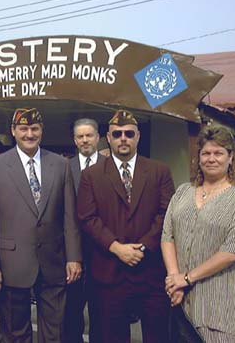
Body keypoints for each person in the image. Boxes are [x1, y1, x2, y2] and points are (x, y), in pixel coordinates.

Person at [0, 108, 82, 343]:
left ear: (41, 131)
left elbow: (69, 216)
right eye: (23, 129)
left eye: (34, 129)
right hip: (10, 265)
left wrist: (73, 257)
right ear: (13, 131)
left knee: (55, 332)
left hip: (53, 263)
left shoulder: (60, 165)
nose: (29, 134)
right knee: (14, 333)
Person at [77, 109, 175, 343]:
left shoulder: (159, 171)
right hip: (109, 272)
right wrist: (117, 248)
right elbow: (87, 218)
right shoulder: (91, 175)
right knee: (110, 336)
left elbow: (167, 213)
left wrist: (142, 247)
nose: (123, 138)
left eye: (129, 133)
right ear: (108, 138)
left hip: (149, 270)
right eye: (117, 133)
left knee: (158, 335)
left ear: (138, 136)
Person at [161, 125, 235, 343]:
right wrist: (174, 279)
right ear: (198, 157)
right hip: (181, 301)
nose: (211, 159)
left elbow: (234, 250)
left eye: (218, 153)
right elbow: (168, 236)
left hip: (221, 304)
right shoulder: (183, 193)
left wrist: (186, 278)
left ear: (231, 157)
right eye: (206, 153)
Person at [65, 118, 105, 343]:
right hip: (73, 251)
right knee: (72, 310)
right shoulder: (65, 168)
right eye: (80, 136)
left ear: (98, 137)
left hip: (103, 251)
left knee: (101, 309)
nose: (85, 140)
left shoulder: (110, 166)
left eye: (89, 135)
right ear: (74, 140)